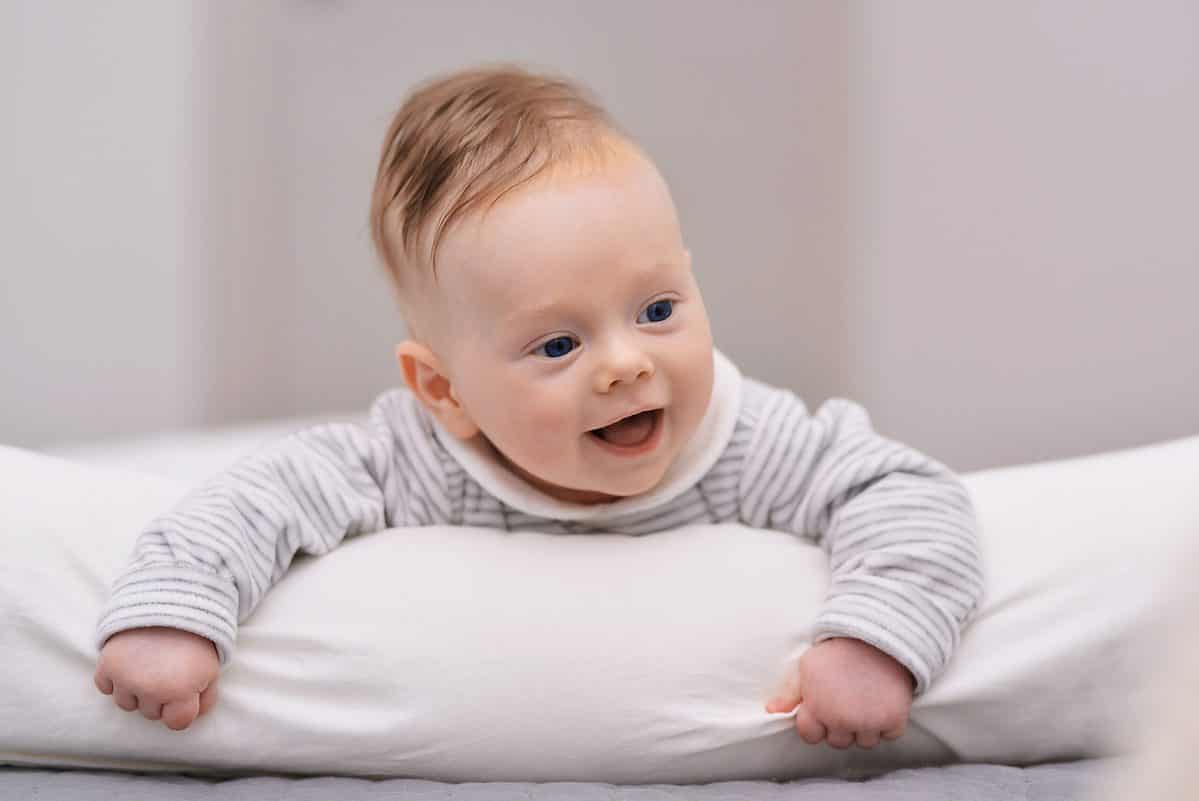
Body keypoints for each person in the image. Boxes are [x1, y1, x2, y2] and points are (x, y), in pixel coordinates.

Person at [93, 65, 982, 751]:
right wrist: (171, 617)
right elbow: (250, 503)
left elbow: (913, 496)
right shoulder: (403, 458)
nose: (627, 364)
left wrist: (872, 644)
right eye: (558, 345)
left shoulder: (747, 440)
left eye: (657, 309)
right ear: (444, 392)